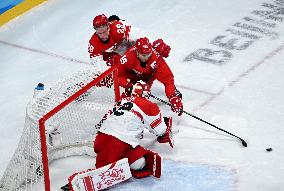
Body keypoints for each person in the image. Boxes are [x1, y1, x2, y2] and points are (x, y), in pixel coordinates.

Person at [93, 81, 174, 178]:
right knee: (104, 170)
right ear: (146, 93)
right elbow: (160, 130)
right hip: (118, 142)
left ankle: (130, 160)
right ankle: (99, 173)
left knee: (138, 162)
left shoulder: (122, 101)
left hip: (100, 138)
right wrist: (166, 132)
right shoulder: (149, 105)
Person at [117, 37, 183, 116]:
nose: (147, 57)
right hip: (131, 76)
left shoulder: (156, 58)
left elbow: (168, 79)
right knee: (129, 99)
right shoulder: (127, 57)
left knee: (141, 99)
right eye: (144, 55)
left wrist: (172, 97)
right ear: (137, 52)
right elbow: (116, 76)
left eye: (149, 54)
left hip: (148, 76)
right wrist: (129, 85)